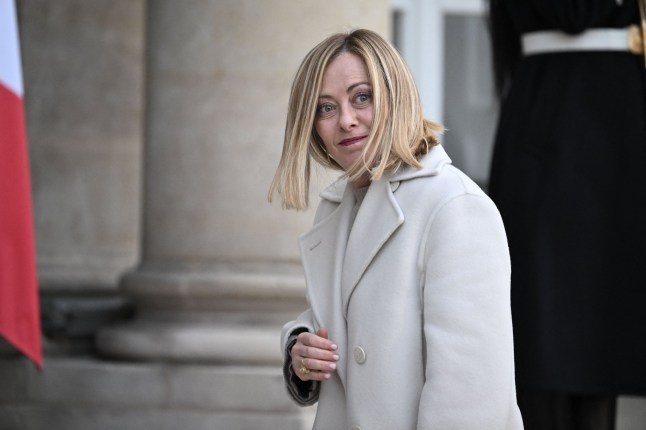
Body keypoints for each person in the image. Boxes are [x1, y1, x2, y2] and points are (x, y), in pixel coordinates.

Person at [268, 28, 524, 429]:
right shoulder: (336, 208)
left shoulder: (455, 206)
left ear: (394, 96)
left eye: (362, 97)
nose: (347, 121)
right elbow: (350, 315)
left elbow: (470, 397)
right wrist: (300, 350)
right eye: (325, 108)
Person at [487, 1, 646, 429]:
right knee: (552, 336)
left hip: (617, 134)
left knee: (602, 342)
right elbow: (573, 13)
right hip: (562, 138)